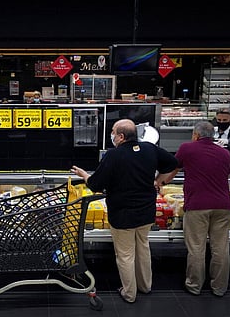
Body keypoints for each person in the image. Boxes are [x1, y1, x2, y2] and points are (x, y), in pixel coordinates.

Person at [71, 119, 178, 303]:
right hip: (146, 212)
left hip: (122, 214)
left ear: (121, 136)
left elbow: (96, 185)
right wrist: (159, 182)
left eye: (113, 132)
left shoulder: (114, 155)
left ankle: (129, 293)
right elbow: (173, 163)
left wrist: (84, 175)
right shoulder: (150, 149)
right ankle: (145, 286)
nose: (111, 135)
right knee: (143, 249)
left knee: (125, 255)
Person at [160, 121, 230, 297]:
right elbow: (227, 174)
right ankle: (219, 288)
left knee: (196, 248)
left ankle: (194, 285)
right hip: (224, 206)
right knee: (221, 248)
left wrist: (160, 183)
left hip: (198, 206)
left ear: (196, 135)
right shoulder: (224, 153)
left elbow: (173, 170)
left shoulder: (187, 148)